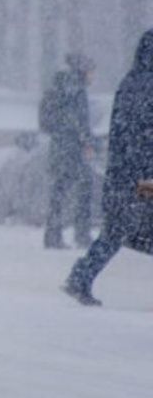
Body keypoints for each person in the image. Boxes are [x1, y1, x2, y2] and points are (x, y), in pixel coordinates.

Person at [63, 31, 153, 306]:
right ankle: (80, 277)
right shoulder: (146, 86)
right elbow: (143, 133)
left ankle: (81, 277)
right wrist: (145, 174)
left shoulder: (132, 81)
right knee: (121, 229)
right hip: (140, 174)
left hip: (126, 171)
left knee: (118, 230)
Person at [41, 52, 96, 248]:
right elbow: (79, 120)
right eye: (90, 71)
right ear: (82, 70)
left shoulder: (58, 87)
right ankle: (81, 234)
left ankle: (53, 235)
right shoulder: (74, 89)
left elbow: (48, 122)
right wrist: (86, 141)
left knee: (60, 191)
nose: (92, 76)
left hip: (61, 147)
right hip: (72, 149)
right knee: (83, 189)